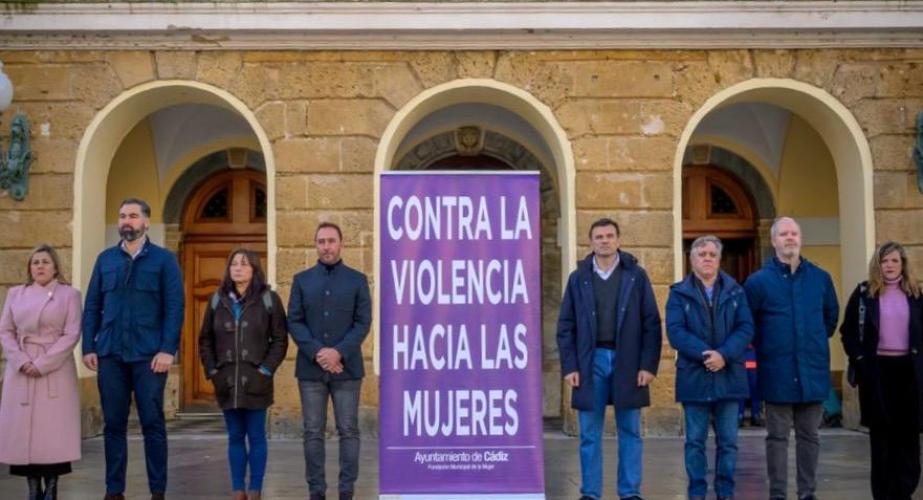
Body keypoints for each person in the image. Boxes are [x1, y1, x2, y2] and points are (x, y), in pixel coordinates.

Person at [82, 198, 184, 500]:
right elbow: (92, 306)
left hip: (149, 356)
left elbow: (175, 308)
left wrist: (168, 349)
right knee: (113, 424)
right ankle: (114, 490)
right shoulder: (106, 260)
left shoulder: (164, 261)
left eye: (133, 216)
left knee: (153, 423)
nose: (127, 221)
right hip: (111, 353)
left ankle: (157, 491)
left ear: (146, 222)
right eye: (123, 215)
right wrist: (89, 345)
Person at [556, 217, 663, 500]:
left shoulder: (635, 276)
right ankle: (590, 493)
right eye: (599, 237)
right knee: (589, 433)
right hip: (590, 362)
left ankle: (629, 492)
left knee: (630, 430)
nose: (604, 240)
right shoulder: (578, 278)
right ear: (590, 242)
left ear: (618, 240)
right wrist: (570, 366)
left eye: (609, 236)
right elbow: (565, 326)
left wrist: (648, 365)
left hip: (628, 361)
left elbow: (651, 322)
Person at [744, 217, 838, 500]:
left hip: (812, 370)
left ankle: (807, 493)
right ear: (773, 241)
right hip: (777, 371)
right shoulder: (758, 282)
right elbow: (749, 324)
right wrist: (772, 347)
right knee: (777, 438)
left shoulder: (820, 278)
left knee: (810, 437)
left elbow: (830, 318)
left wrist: (811, 343)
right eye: (783, 234)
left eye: (794, 233)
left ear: (800, 239)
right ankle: (778, 494)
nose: (789, 238)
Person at [666, 235, 754, 500]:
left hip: (729, 377)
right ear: (691, 260)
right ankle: (696, 493)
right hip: (694, 378)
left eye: (711, 254)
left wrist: (724, 355)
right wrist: (708, 356)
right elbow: (675, 332)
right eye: (701, 254)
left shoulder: (737, 291)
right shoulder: (678, 293)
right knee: (695, 442)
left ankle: (725, 493)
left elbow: (746, 327)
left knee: (728, 443)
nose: (706, 258)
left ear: (719, 258)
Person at [288, 222, 371, 500]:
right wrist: (319, 353)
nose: (326, 246)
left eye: (331, 241)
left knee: (348, 430)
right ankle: (316, 491)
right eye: (321, 241)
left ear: (341, 244)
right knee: (313, 432)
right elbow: (295, 321)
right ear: (315, 245)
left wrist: (339, 352)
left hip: (347, 370)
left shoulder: (357, 280)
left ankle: (346, 490)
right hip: (311, 370)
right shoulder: (302, 280)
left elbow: (362, 322)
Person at [199, 249, 289, 500]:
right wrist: (213, 371)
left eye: (244, 264)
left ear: (254, 269)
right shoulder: (218, 299)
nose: (238, 268)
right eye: (234, 264)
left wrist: (266, 369)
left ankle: (255, 489)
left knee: (257, 435)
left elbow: (280, 340)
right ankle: (238, 489)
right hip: (226, 380)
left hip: (257, 380)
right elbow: (205, 339)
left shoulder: (269, 299)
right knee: (235, 435)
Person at [840, 241, 923, 500]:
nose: (889, 266)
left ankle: (905, 491)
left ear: (903, 264)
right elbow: (848, 332)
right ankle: (884, 494)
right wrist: (861, 359)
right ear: (878, 264)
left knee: (908, 437)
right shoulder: (864, 294)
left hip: (909, 373)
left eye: (894, 261)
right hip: (877, 373)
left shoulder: (916, 294)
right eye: (884, 261)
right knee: (881, 439)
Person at [0, 244, 82, 500]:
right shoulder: (15, 294)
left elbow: (71, 333)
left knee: (52, 432)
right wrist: (20, 360)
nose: (40, 267)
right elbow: (6, 330)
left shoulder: (69, 295)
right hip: (21, 370)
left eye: (45, 262)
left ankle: (53, 484)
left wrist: (43, 363)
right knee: (23, 432)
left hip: (54, 370)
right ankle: (33, 486)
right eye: (35, 263)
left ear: (56, 266)